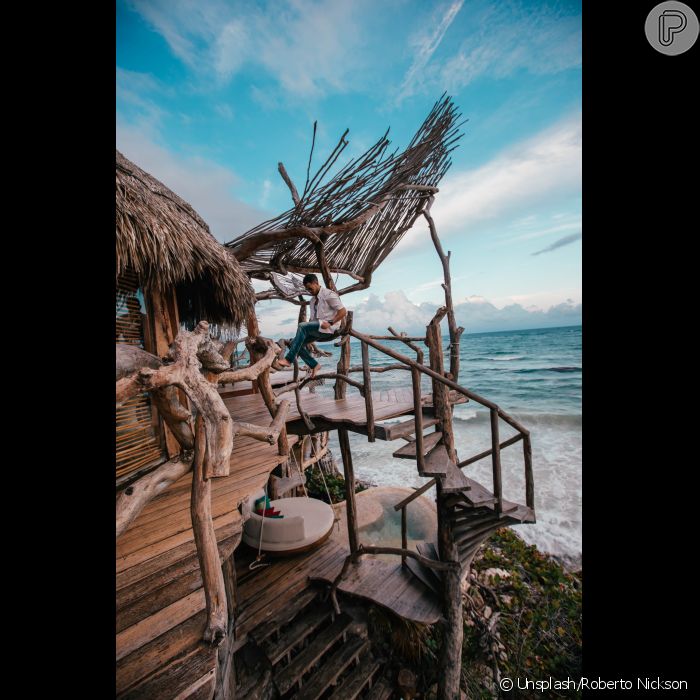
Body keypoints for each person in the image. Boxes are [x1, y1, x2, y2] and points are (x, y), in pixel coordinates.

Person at [276, 274, 347, 377]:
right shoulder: (313, 301)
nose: (309, 291)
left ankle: (288, 359)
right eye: (307, 289)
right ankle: (314, 364)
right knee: (294, 343)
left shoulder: (329, 294)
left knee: (301, 326)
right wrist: (306, 330)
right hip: (317, 328)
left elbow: (343, 311)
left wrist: (330, 322)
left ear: (316, 283)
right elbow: (313, 319)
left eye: (310, 288)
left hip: (329, 328)